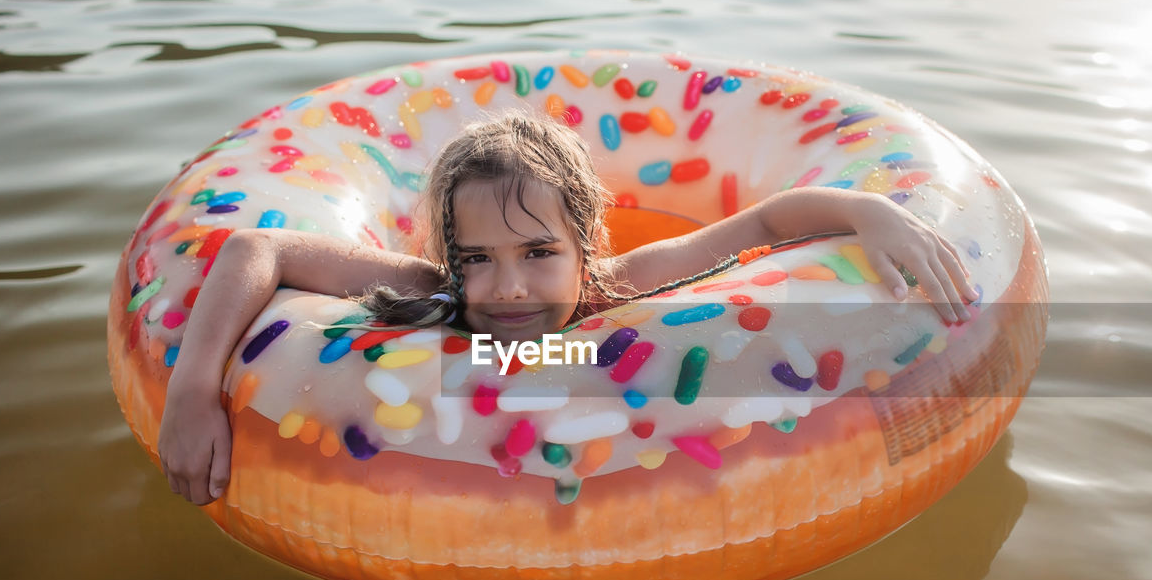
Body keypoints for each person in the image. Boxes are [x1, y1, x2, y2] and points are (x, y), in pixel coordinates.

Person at [160, 111, 976, 505]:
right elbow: (250, 251)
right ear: (448, 257)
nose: (509, 288)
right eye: (476, 259)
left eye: (539, 253)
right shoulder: (427, 293)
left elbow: (765, 222)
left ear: (585, 242)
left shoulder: (620, 285)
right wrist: (195, 390)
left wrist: (873, 213)